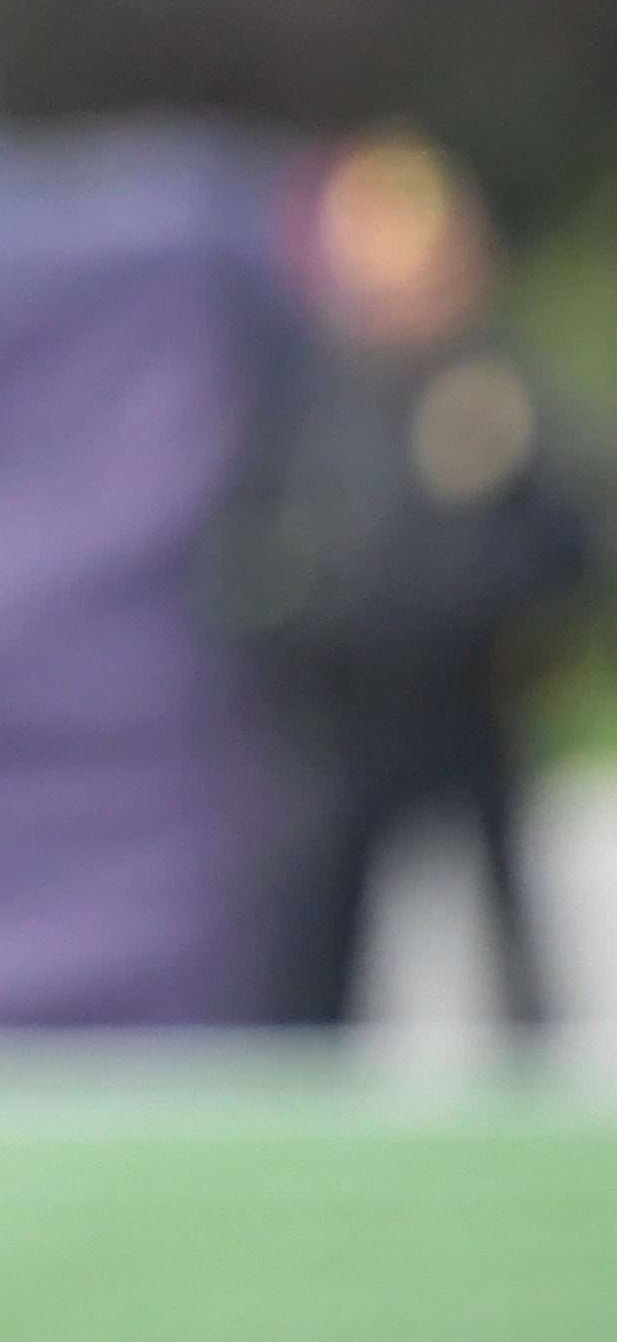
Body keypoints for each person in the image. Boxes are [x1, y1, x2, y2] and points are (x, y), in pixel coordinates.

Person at [214, 131, 602, 1031]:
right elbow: (257, 550)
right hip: (346, 721)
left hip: (473, 705)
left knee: (512, 947)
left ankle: (529, 1086)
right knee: (316, 947)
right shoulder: (314, 392)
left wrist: (505, 557)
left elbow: (570, 547)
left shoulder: (502, 381)